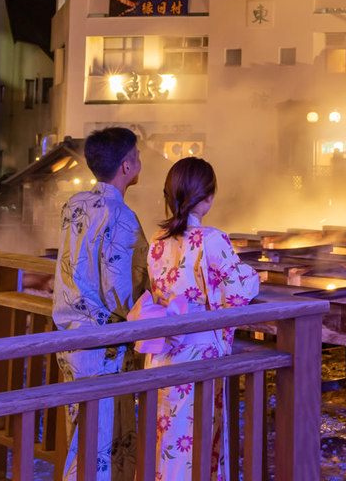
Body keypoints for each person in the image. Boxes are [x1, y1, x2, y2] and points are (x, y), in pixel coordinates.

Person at [133, 157, 259, 481]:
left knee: (165, 437)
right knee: (199, 436)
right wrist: (253, 275)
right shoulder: (212, 240)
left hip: (162, 353)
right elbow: (238, 291)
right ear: (208, 197)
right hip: (199, 354)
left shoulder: (157, 243)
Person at [53, 126, 149, 481]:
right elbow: (122, 291)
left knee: (82, 430)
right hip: (103, 342)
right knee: (101, 441)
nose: (140, 161)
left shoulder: (74, 204)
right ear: (126, 166)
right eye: (137, 156)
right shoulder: (122, 217)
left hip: (68, 336)